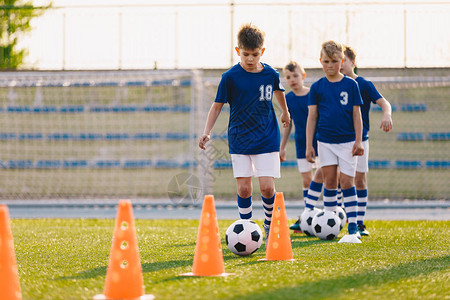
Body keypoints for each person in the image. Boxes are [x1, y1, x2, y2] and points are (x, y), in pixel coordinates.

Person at [198, 23, 290, 242]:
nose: (250, 59)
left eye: (255, 54)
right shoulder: (230, 77)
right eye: (246, 54)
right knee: (245, 188)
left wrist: (285, 112)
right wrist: (206, 131)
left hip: (267, 136)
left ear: (262, 52)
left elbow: (279, 91)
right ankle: (247, 229)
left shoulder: (270, 73)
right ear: (238, 51)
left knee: (267, 187)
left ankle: (268, 224)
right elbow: (217, 106)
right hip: (240, 138)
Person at [306, 40, 364, 243]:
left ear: (342, 61)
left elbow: (357, 115)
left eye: (334, 61)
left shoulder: (351, 85)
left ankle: (354, 227)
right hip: (325, 142)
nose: (330, 65)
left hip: (348, 142)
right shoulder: (317, 87)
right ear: (320, 61)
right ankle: (330, 220)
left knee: (347, 182)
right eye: (326, 61)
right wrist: (309, 145)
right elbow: (312, 118)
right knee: (329, 181)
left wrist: (358, 141)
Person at [340, 45, 393, 236]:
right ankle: (337, 219)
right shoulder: (333, 85)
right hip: (337, 140)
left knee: (359, 179)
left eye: (343, 60)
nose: (339, 64)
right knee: (339, 180)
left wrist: (387, 115)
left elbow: (384, 102)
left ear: (352, 62)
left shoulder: (363, 84)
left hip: (360, 140)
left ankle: (359, 222)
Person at [279, 61, 323, 232]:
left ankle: (331, 212)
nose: (292, 79)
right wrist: (282, 147)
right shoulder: (287, 99)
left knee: (328, 178)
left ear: (303, 76)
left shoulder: (313, 94)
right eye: (288, 77)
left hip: (320, 142)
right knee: (306, 180)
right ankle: (308, 215)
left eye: (295, 75)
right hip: (300, 145)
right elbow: (288, 125)